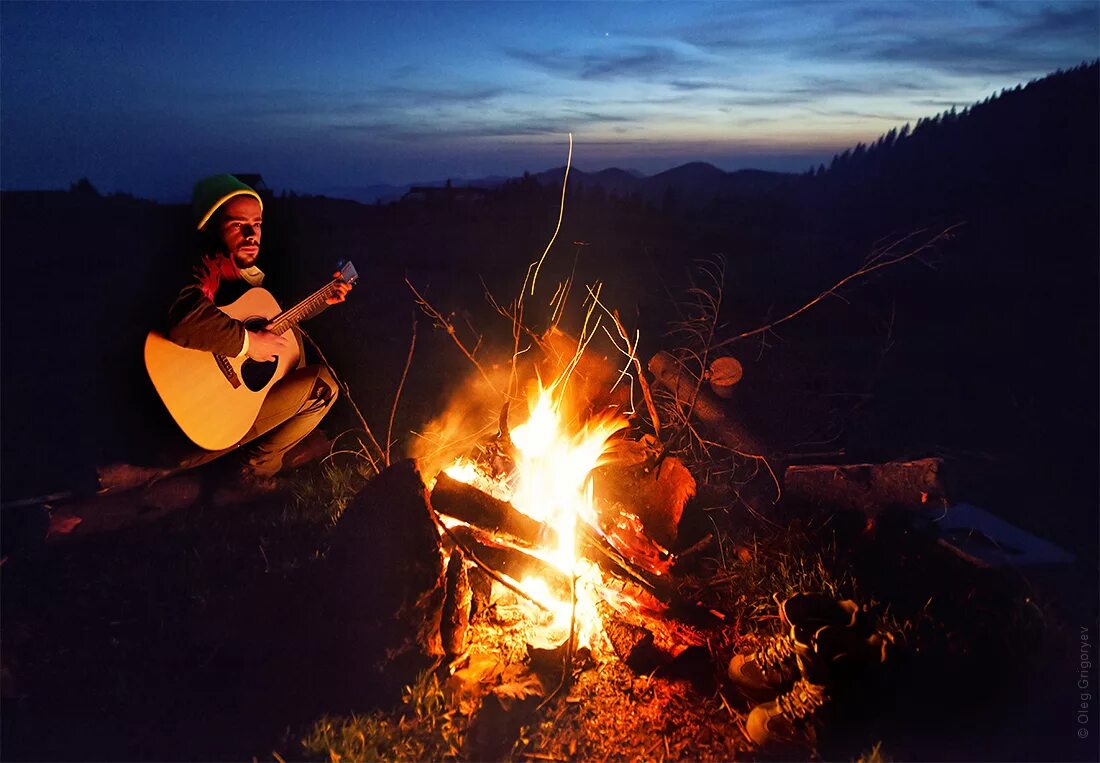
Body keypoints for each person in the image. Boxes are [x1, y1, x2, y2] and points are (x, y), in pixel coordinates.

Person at [102, 174, 350, 493]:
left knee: (292, 349)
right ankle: (250, 471)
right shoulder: (196, 266)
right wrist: (248, 343)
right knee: (323, 384)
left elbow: (272, 323)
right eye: (237, 225)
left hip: (192, 421)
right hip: (176, 429)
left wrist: (321, 302)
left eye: (257, 224)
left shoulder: (235, 276)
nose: (251, 234)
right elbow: (185, 317)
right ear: (211, 227)